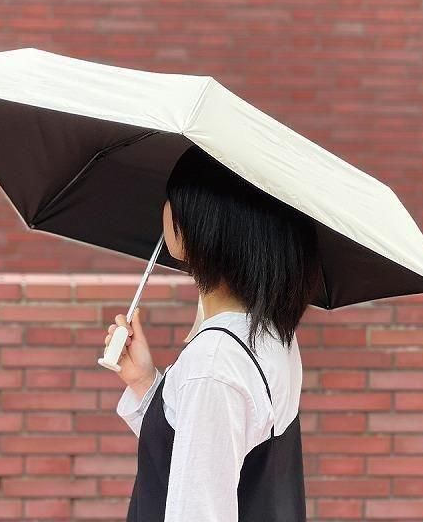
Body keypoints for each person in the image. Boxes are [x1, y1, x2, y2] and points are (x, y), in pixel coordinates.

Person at [104, 144, 322, 521]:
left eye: (174, 198)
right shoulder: (265, 334)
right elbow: (202, 458)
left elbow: (198, 505)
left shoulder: (216, 360)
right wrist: (145, 384)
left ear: (203, 222)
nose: (166, 209)